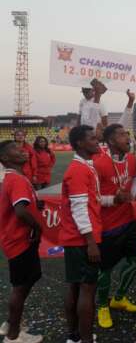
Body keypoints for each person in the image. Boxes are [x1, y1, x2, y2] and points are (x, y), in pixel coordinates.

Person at [94, 124, 136, 329]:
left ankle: (119, 297)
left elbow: (131, 184)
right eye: (123, 134)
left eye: (127, 133)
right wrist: (113, 200)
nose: (128, 137)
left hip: (128, 220)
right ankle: (102, 306)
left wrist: (135, 195)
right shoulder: (98, 163)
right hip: (107, 226)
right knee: (105, 269)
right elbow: (92, 199)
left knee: (135, 258)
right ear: (112, 141)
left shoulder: (132, 159)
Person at [60, 125, 102, 343]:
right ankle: (85, 340)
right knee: (87, 289)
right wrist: (91, 241)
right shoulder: (78, 170)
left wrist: (115, 200)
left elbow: (90, 201)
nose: (97, 141)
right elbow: (79, 209)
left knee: (75, 286)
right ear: (79, 143)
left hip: (76, 238)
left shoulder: (85, 166)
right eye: (92, 138)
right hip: (82, 240)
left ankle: (74, 336)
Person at [0, 140, 44, 343]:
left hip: (18, 239)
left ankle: (10, 324)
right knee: (20, 286)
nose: (22, 150)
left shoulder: (15, 177)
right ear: (5, 159)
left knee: (29, 279)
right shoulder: (16, 179)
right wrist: (37, 226)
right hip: (20, 240)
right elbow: (20, 211)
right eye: (15, 150)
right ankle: (13, 336)